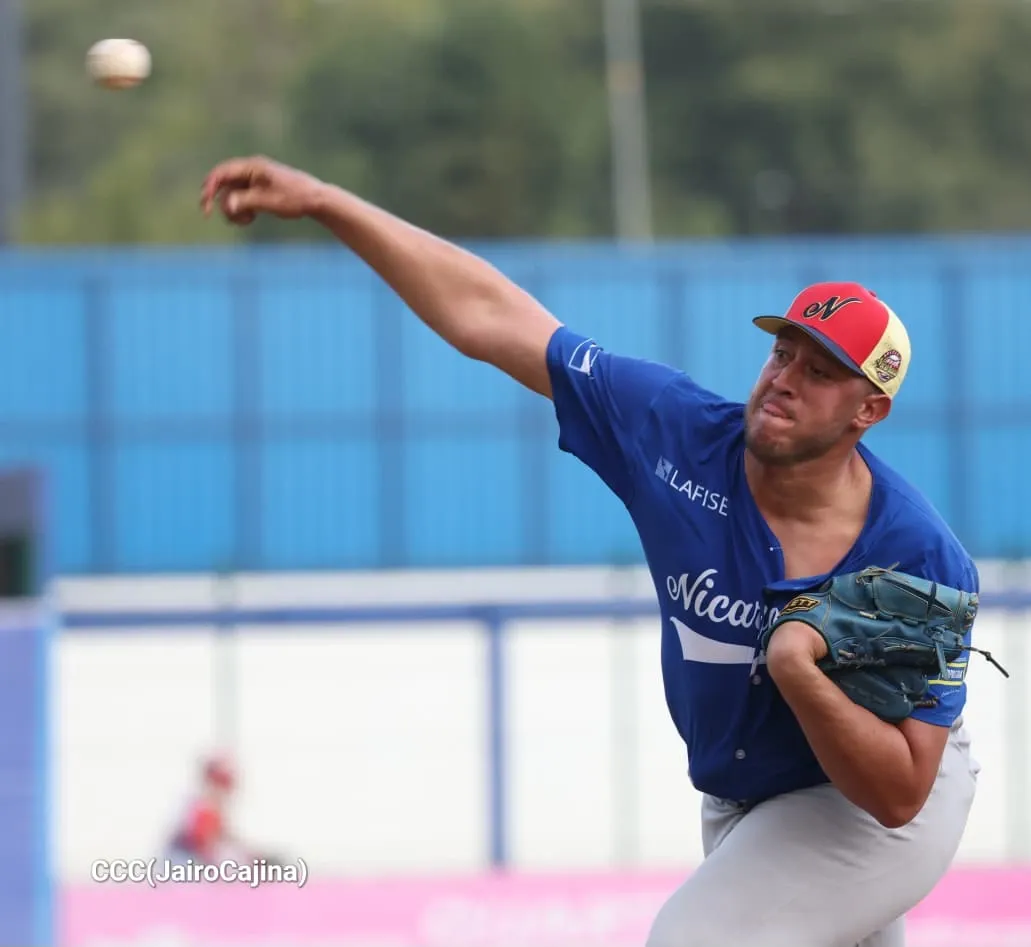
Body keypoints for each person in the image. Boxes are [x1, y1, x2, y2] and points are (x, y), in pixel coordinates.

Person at [199, 157, 985, 947]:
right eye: (782, 352)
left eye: (820, 373)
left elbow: (898, 793)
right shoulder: (675, 431)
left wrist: (795, 669)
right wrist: (329, 202)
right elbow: (489, 316)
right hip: (744, 800)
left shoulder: (911, 555)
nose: (784, 379)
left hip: (867, 811)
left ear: (868, 410)